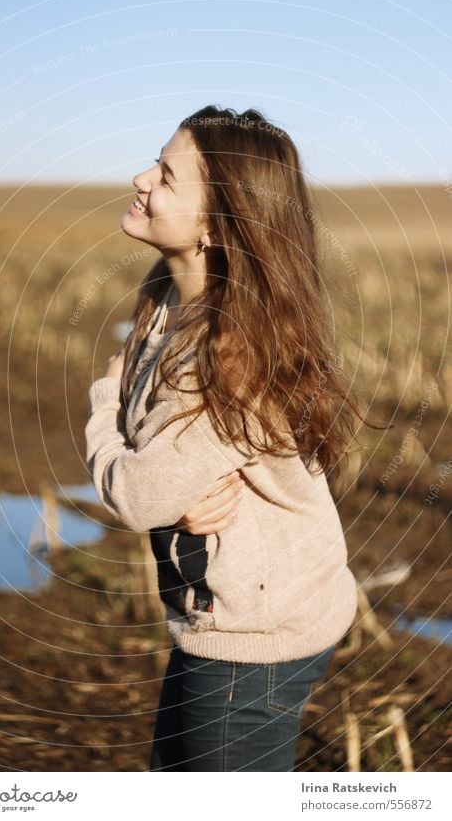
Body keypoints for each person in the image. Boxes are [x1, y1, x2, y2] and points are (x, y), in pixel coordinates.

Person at [85, 105, 383, 772]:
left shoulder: (229, 362)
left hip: (259, 636)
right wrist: (177, 497)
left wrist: (103, 402)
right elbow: (171, 468)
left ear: (216, 227)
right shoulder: (174, 293)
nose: (139, 178)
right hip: (228, 613)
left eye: (164, 175)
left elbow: (135, 492)